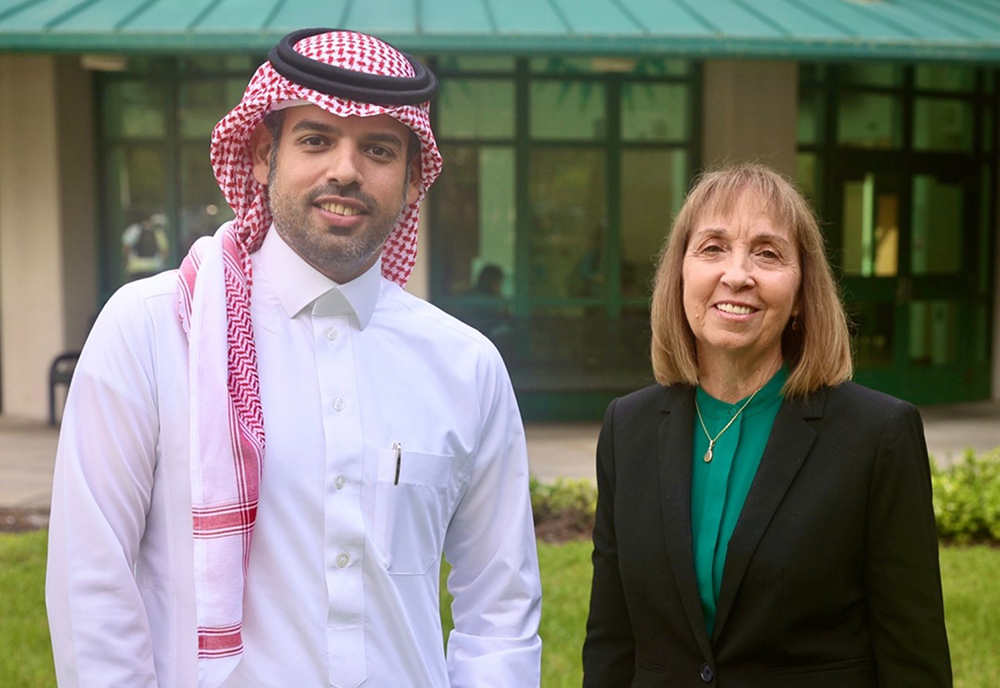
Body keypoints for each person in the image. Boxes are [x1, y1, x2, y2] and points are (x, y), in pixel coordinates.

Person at [46, 29, 541, 688]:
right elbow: (93, 587)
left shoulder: (465, 365)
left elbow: (499, 609)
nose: (346, 169)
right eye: (316, 140)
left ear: (414, 177)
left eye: (378, 149)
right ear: (260, 154)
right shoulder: (152, 330)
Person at [582, 163, 951, 687]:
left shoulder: (878, 436)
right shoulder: (628, 428)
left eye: (767, 253)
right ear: (681, 275)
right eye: (712, 248)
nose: (737, 274)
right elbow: (611, 643)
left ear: (801, 292)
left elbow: (915, 663)